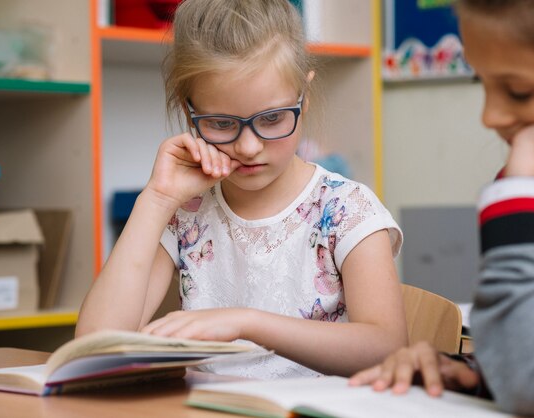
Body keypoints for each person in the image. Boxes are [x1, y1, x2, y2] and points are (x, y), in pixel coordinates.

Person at [76, 0, 407, 380]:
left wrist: (248, 323)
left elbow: (387, 349)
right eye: (220, 122)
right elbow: (94, 346)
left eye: (272, 118)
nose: (249, 146)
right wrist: (157, 198)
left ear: (305, 96)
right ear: (189, 113)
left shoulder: (346, 208)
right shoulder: (187, 211)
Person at [350, 0, 534, 416]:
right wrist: (479, 377)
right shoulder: (533, 188)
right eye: (482, 82)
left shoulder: (525, 184)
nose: (490, 116)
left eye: (519, 92)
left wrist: (526, 175)